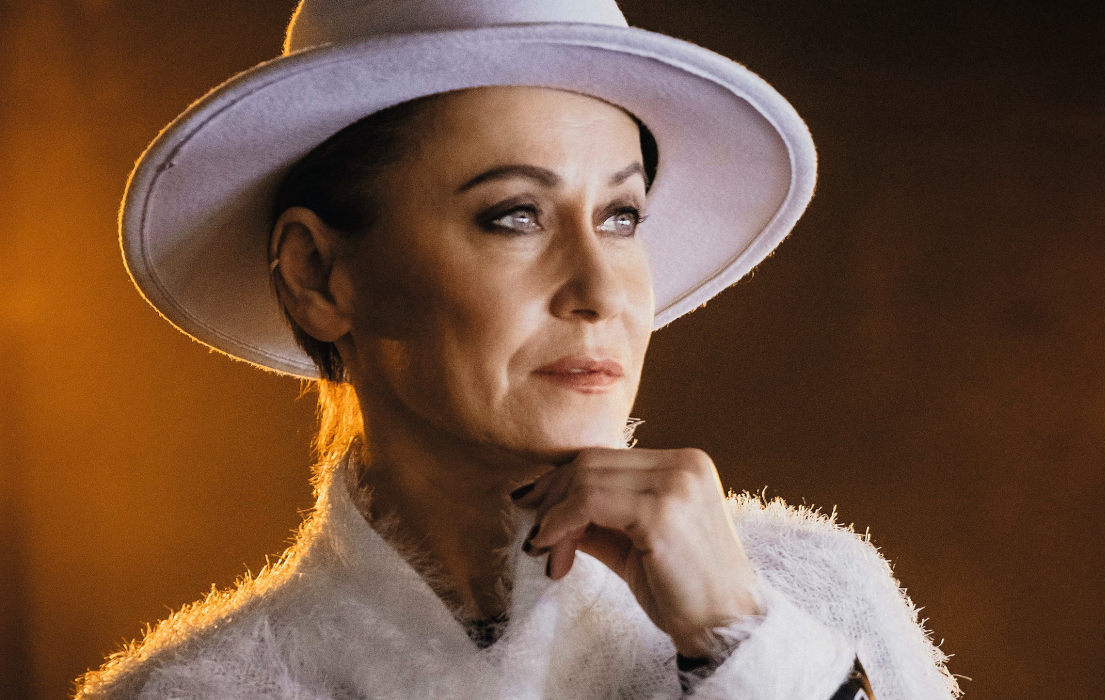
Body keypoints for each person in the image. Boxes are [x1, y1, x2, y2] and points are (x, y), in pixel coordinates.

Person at [77, 0, 959, 698]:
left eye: (621, 217)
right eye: (515, 216)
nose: (600, 290)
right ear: (319, 274)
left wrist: (746, 649)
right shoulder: (200, 689)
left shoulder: (811, 599)